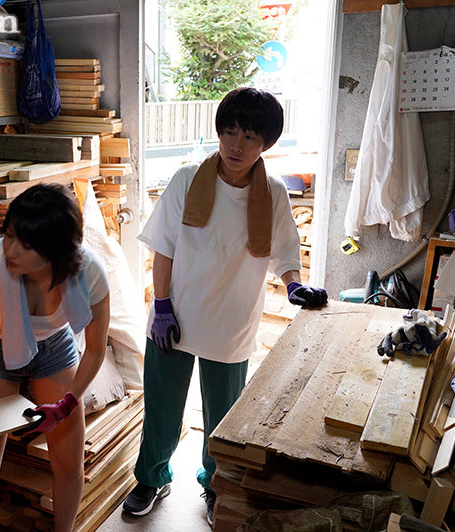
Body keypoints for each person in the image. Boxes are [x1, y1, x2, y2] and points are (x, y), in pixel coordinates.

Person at [122, 87, 328, 526]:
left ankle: (216, 486)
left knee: (223, 416)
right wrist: (161, 304)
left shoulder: (273, 192)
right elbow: (163, 247)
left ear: (266, 143)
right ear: (218, 131)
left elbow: (285, 253)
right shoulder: (186, 179)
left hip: (231, 322)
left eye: (250, 137)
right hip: (174, 316)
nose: (236, 145)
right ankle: (152, 478)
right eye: (230, 131)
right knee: (162, 407)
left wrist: (294, 286)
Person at [0, 183, 111, 532]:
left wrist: (67, 403)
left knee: (69, 466)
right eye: (8, 235)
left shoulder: (90, 273)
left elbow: (95, 349)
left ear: (56, 250)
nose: (10, 249)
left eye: (26, 244)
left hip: (55, 347)